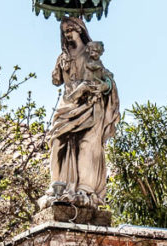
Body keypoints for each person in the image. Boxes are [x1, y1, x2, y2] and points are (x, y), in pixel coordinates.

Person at [44, 17, 120, 209]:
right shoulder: (63, 56)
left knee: (87, 145)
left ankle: (85, 190)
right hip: (67, 105)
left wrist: (103, 86)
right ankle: (57, 187)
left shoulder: (91, 53)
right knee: (57, 141)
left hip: (89, 105)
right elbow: (56, 80)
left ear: (80, 30)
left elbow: (107, 78)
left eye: (71, 29)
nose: (67, 33)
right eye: (64, 31)